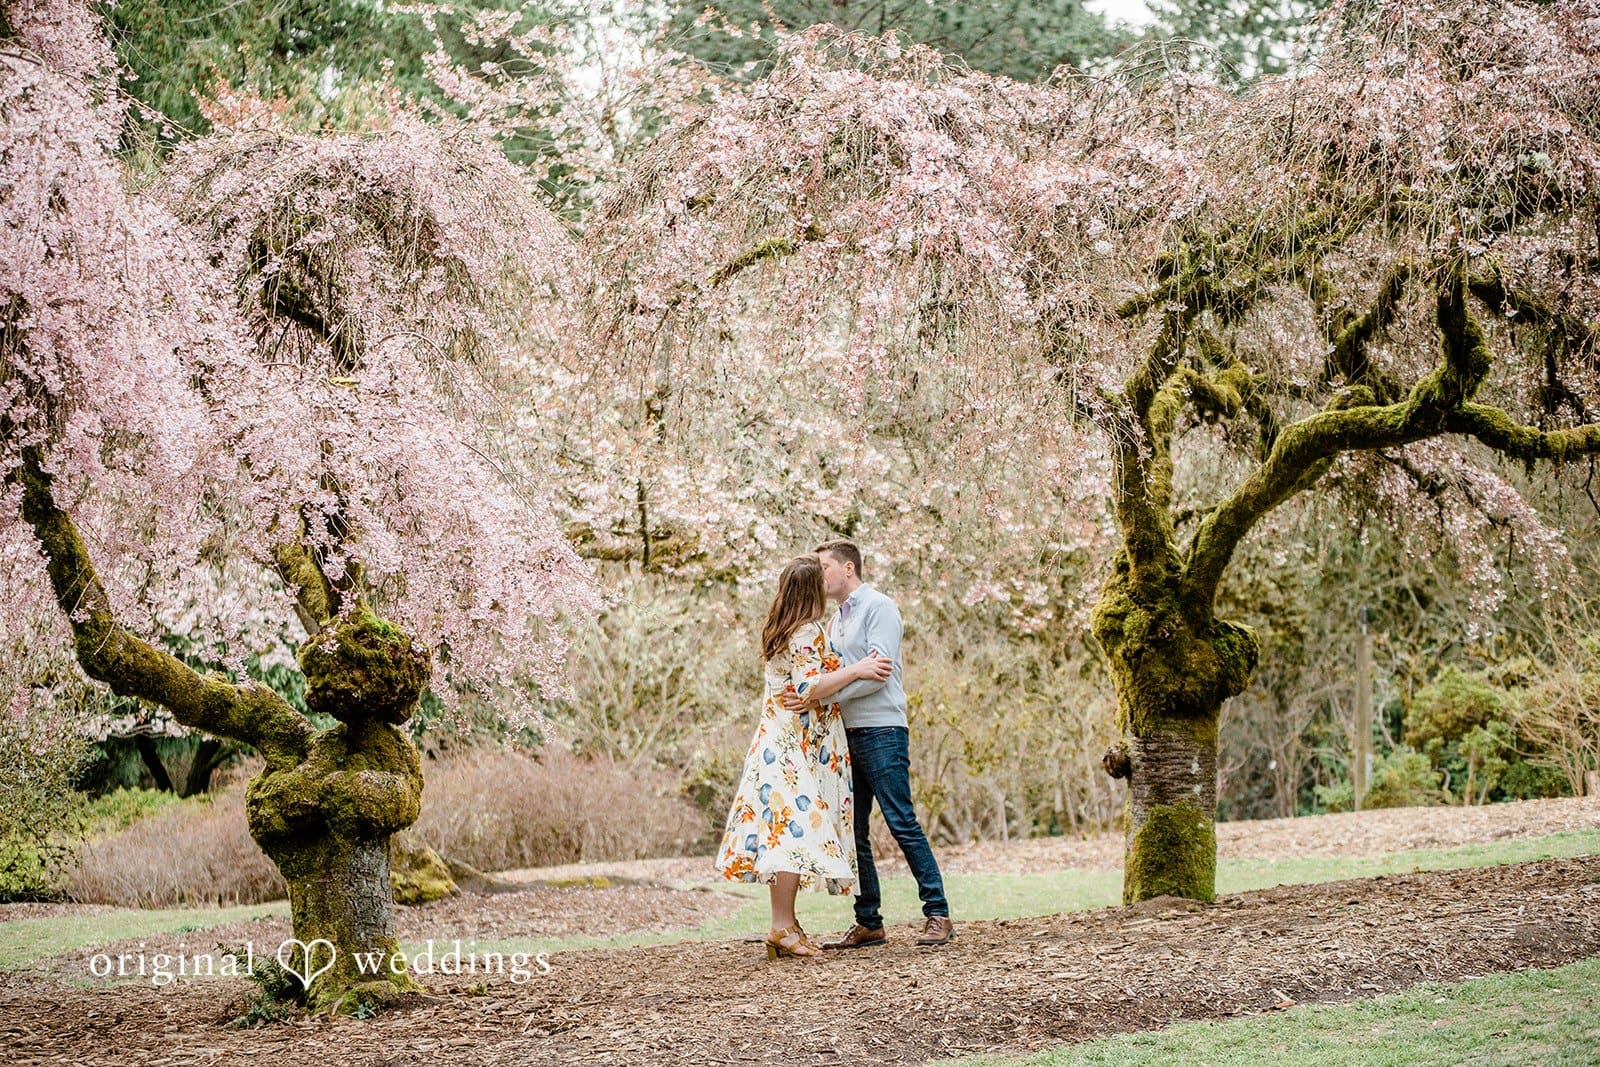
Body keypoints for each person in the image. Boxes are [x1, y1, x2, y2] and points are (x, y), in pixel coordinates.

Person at [713, 554, 895, 959]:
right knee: (790, 832)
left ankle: (786, 923)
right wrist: (860, 668)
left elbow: (801, 685)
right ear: (811, 589)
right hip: (791, 745)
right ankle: (781, 926)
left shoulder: (784, 628)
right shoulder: (806, 632)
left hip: (779, 739)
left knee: (785, 830)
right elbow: (810, 685)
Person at [784, 539, 954, 947]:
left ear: (848, 568)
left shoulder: (880, 608)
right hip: (844, 734)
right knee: (853, 830)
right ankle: (869, 921)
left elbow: (876, 674)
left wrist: (821, 695)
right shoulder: (832, 621)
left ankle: (938, 913)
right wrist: (818, 692)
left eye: (823, 567)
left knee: (901, 822)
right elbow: (841, 674)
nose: (818, 575)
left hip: (881, 729)